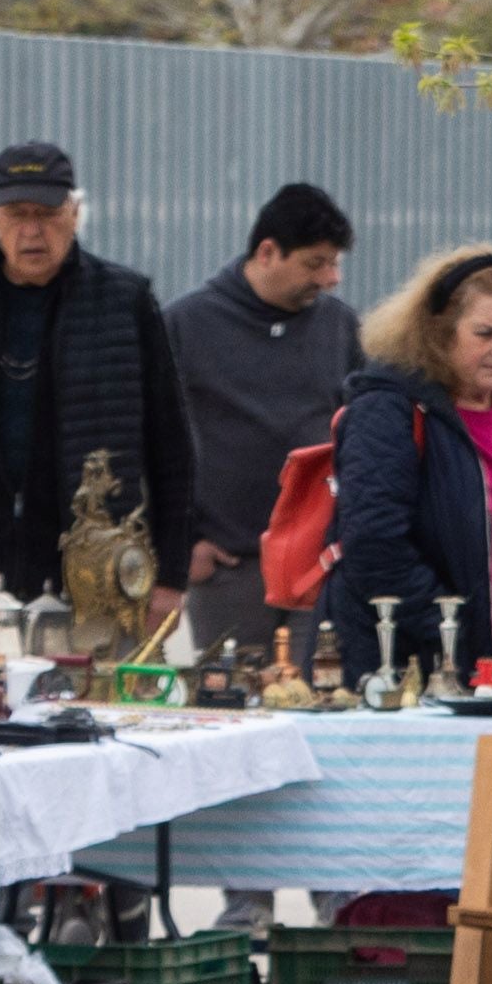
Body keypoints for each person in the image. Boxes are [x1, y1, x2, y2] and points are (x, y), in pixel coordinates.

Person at [0, 142, 197, 616]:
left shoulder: (125, 302)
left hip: (93, 578)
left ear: (76, 213)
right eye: (15, 213)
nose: (32, 230)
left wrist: (170, 576)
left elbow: (172, 447)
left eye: (48, 213)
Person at [327, 248, 492, 688]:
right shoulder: (387, 409)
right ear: (438, 334)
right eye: (485, 334)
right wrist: (454, 631)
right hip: (409, 673)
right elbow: (374, 546)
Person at [169, 183, 364, 662]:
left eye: (335, 262)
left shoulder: (340, 327)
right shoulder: (186, 324)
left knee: (316, 697)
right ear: (268, 252)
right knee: (234, 699)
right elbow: (155, 441)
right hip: (230, 568)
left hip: (319, 564)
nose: (331, 277)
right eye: (315, 263)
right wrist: (184, 542)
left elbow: (361, 432)